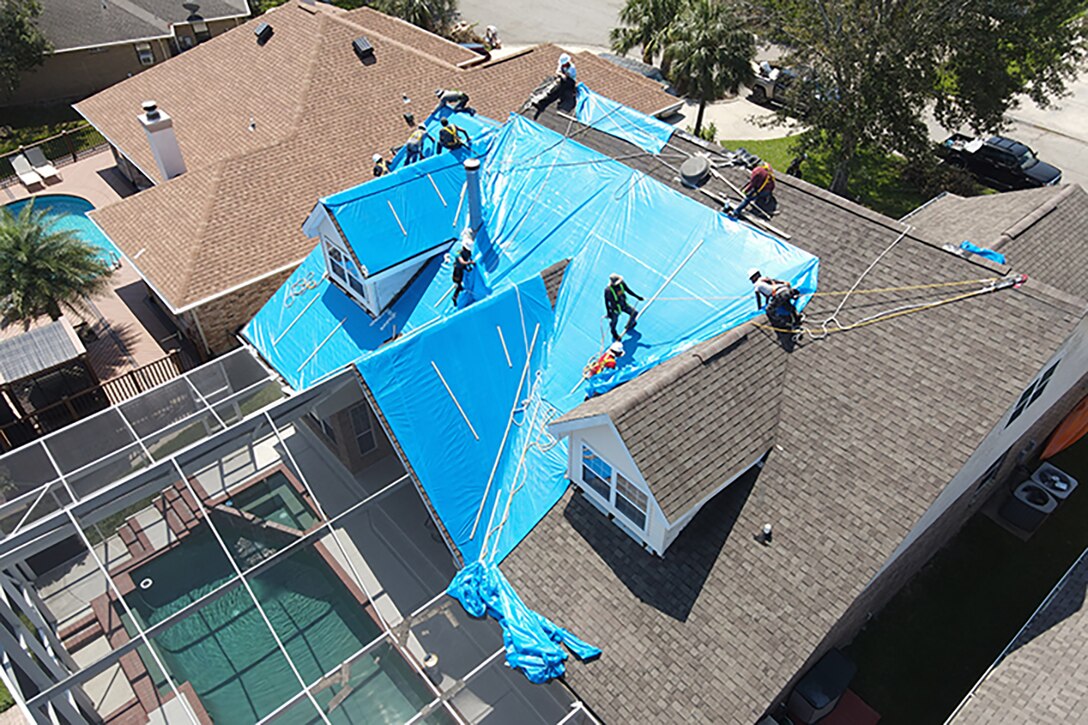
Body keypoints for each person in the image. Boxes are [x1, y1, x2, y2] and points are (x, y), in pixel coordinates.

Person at [604, 273, 643, 342]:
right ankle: (613, 332)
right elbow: (606, 302)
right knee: (614, 321)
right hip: (615, 308)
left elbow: (628, 290)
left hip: (624, 304)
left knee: (634, 313)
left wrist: (637, 297)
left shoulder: (622, 284)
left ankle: (629, 325)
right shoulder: (608, 290)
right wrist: (608, 313)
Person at [452, 230, 475, 306]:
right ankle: (455, 297)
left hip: (462, 269)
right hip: (458, 271)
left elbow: (469, 258)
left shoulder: (468, 253)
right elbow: (462, 262)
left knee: (460, 284)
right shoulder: (458, 253)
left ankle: (459, 290)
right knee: (459, 284)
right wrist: (469, 263)